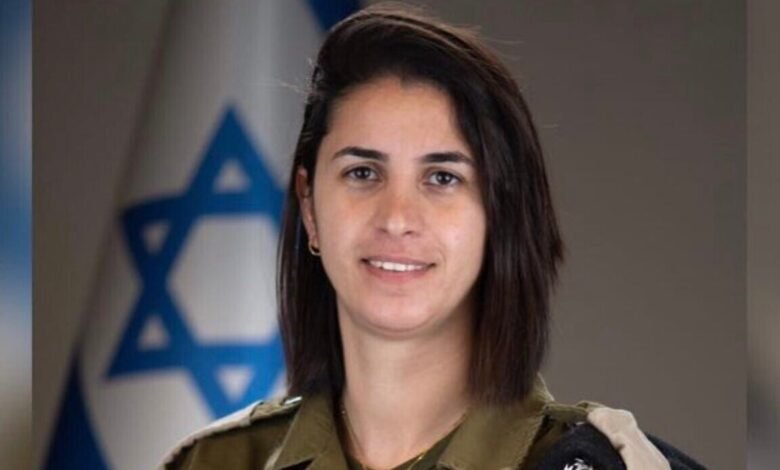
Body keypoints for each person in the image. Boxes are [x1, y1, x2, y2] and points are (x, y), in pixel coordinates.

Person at [163, 5, 703, 470]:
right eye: (362, 173)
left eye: (442, 178)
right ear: (309, 205)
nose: (397, 217)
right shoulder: (214, 463)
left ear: (500, 213)